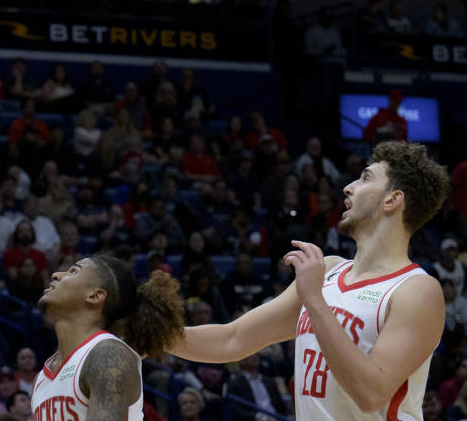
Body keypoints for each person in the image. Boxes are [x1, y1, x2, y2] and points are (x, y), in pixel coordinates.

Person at [171, 141, 449, 419]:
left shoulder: (417, 290)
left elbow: (371, 394)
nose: (348, 187)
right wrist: (155, 337)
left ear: (392, 200)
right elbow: (233, 340)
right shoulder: (329, 270)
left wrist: (314, 300)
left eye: (366, 178)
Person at [32, 255, 185, 421]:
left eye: (73, 271)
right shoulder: (40, 379)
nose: (56, 275)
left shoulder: (107, 354)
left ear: (95, 296)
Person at [226, 352, 287, 420]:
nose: (255, 356)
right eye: (251, 354)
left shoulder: (269, 381)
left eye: (256, 354)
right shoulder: (235, 383)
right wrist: (257, 417)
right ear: (242, 361)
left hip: (275, 417)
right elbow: (235, 409)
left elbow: (281, 406)